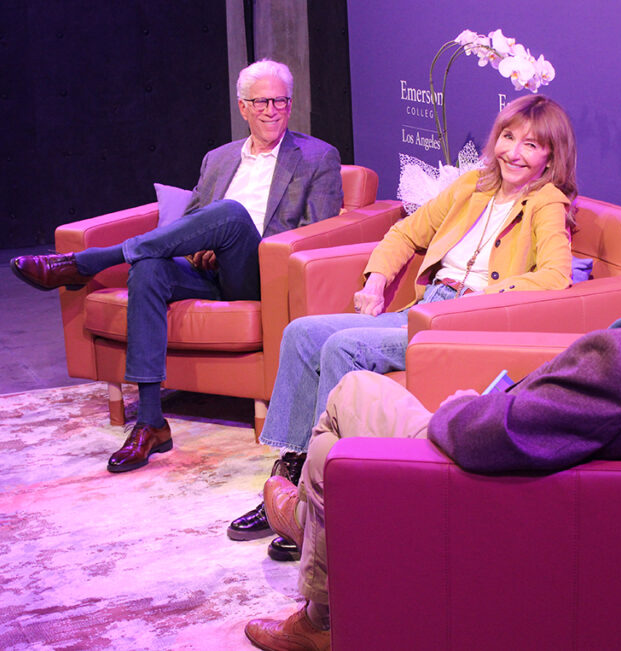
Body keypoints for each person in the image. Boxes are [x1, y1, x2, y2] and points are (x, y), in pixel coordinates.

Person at [242, 182, 621, 651]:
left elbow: (488, 439)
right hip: (557, 451)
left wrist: (460, 411)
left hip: (487, 470)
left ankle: (316, 570)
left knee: (349, 395)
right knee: (329, 452)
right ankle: (318, 541)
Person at [226, 95, 579, 556]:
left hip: (458, 320)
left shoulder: (545, 202)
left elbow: (555, 276)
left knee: (343, 347)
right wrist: (375, 283)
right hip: (422, 306)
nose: (514, 153)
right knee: (302, 333)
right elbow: (405, 232)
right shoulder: (474, 185)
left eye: (531, 146)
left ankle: (326, 501)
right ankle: (290, 471)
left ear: (550, 156)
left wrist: (480, 298)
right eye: (508, 138)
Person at [10, 59, 343, 474]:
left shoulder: (318, 157)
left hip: (261, 275)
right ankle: (151, 422)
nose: (272, 109)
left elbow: (319, 234)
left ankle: (88, 263)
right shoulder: (219, 159)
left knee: (232, 214)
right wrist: (199, 249)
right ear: (243, 107)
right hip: (209, 272)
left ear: (290, 105)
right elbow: (193, 223)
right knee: (148, 268)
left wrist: (232, 236)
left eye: (281, 101)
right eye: (262, 101)